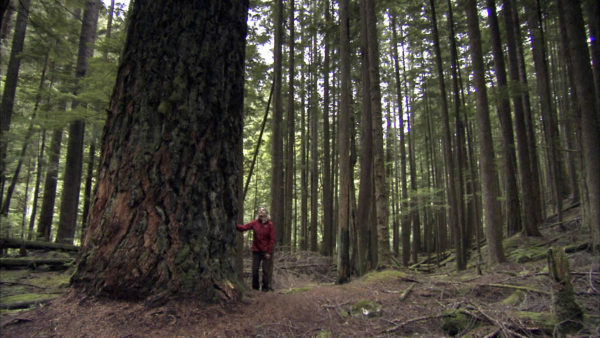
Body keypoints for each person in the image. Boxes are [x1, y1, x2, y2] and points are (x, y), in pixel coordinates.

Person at [236, 207, 275, 291]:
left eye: (263, 210)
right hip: (256, 250)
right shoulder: (255, 223)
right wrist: (235, 225)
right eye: (260, 210)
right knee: (254, 270)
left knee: (265, 270)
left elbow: (272, 239)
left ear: (266, 213)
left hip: (266, 251)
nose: (261, 211)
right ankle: (255, 288)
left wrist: (269, 252)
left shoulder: (270, 224)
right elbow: (244, 228)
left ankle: (265, 288)